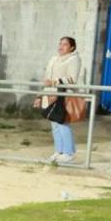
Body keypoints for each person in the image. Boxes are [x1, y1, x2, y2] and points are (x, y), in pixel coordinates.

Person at [40, 35, 85, 165]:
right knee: (54, 123)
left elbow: (72, 79)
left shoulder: (74, 59)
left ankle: (68, 152)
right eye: (60, 43)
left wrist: (56, 81)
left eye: (65, 44)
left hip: (63, 95)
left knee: (62, 122)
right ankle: (58, 151)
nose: (61, 46)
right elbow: (47, 77)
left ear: (71, 47)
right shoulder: (54, 59)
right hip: (50, 94)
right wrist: (40, 95)